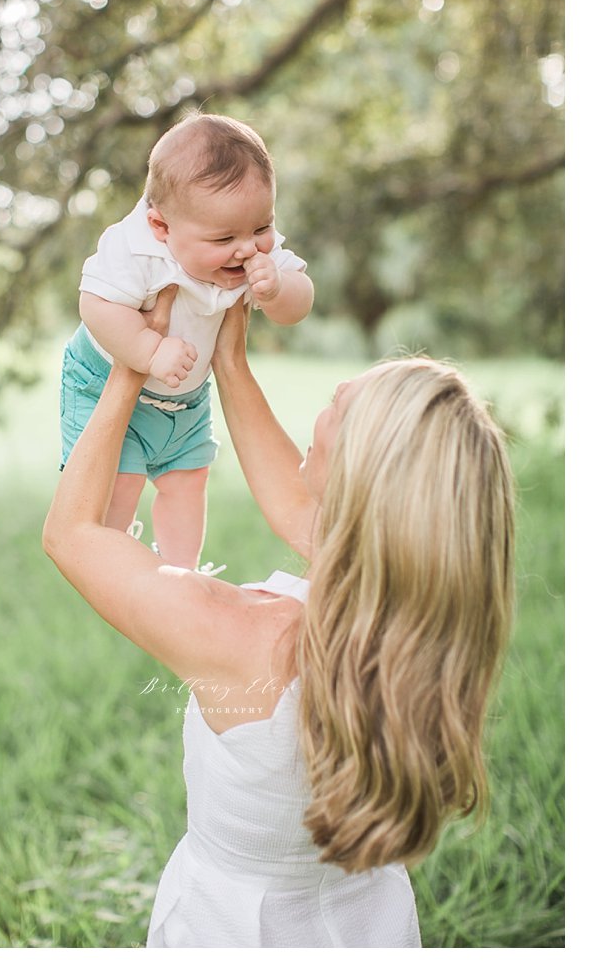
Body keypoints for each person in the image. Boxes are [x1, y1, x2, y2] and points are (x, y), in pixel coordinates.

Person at [43, 288, 515, 948]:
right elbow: (304, 508)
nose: (341, 386)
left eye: (341, 406)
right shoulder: (427, 620)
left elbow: (72, 532)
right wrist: (229, 362)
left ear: (357, 475)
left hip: (236, 931)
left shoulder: (242, 635)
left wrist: (126, 367)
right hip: (366, 924)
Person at [61, 112, 314, 570]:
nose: (247, 249)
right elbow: (95, 306)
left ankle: (180, 571)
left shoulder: (257, 247)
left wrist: (277, 290)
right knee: (120, 482)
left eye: (261, 229)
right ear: (162, 227)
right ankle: (113, 563)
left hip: (186, 393)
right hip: (103, 381)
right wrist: (148, 350)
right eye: (224, 238)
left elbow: (301, 302)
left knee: (190, 477)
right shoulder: (136, 248)